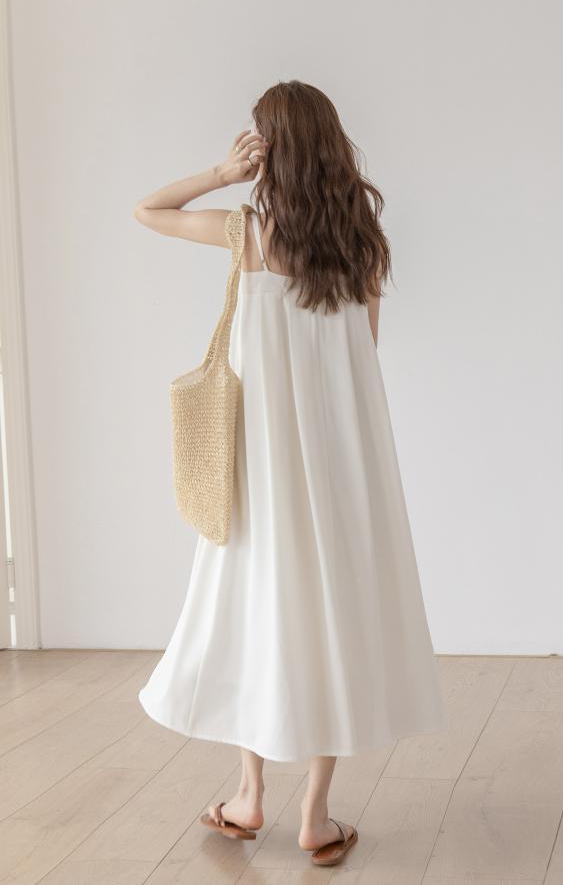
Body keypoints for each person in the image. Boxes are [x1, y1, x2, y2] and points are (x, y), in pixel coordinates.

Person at [133, 80, 447, 867]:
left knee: (257, 611)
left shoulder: (246, 232)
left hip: (262, 468)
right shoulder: (363, 242)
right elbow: (364, 352)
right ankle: (316, 814)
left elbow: (149, 210)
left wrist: (220, 173)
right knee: (332, 618)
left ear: (268, 148)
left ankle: (249, 797)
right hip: (343, 464)